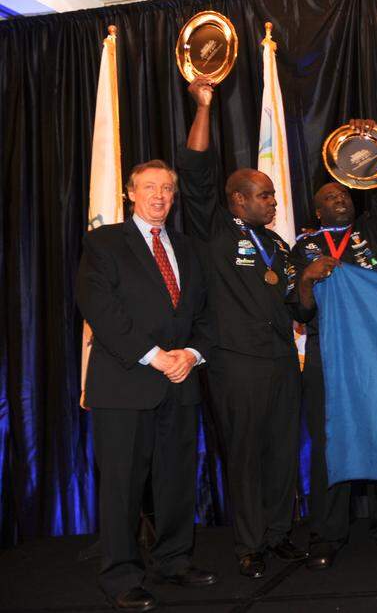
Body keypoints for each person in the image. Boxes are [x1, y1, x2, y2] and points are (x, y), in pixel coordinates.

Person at [177, 77, 324, 578]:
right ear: (236, 201)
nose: (272, 201)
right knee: (244, 458)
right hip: (235, 365)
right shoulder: (214, 232)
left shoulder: (279, 248)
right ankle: (249, 544)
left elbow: (299, 312)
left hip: (282, 362)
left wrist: (304, 282)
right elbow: (195, 172)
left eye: (273, 195)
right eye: (262, 195)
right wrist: (203, 106)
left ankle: (280, 534)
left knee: (283, 454)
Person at [76, 160, 217, 611]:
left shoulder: (190, 248)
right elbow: (100, 308)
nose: (159, 195)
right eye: (149, 187)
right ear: (130, 194)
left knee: (177, 481)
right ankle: (120, 576)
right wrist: (156, 356)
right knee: (122, 485)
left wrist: (191, 355)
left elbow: (206, 315)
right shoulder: (103, 243)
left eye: (168, 189)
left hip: (180, 382)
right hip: (125, 384)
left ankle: (173, 560)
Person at [288, 115, 377, 572]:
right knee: (329, 444)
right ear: (317, 211)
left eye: (342, 193)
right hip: (328, 353)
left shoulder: (374, 231)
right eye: (329, 197)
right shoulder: (302, 247)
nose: (338, 199)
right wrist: (307, 279)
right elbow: (299, 310)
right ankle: (328, 532)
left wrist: (371, 143)